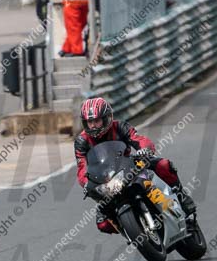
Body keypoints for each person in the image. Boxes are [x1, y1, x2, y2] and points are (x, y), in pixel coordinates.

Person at [74, 97, 199, 234]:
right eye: (89, 122)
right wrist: (86, 183)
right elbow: (82, 168)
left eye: (96, 121)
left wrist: (144, 150)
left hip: (129, 165)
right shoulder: (82, 141)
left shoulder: (120, 127)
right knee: (103, 224)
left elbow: (139, 139)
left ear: (107, 118)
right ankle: (129, 231)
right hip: (105, 180)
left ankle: (183, 200)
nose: (93, 126)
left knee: (164, 165)